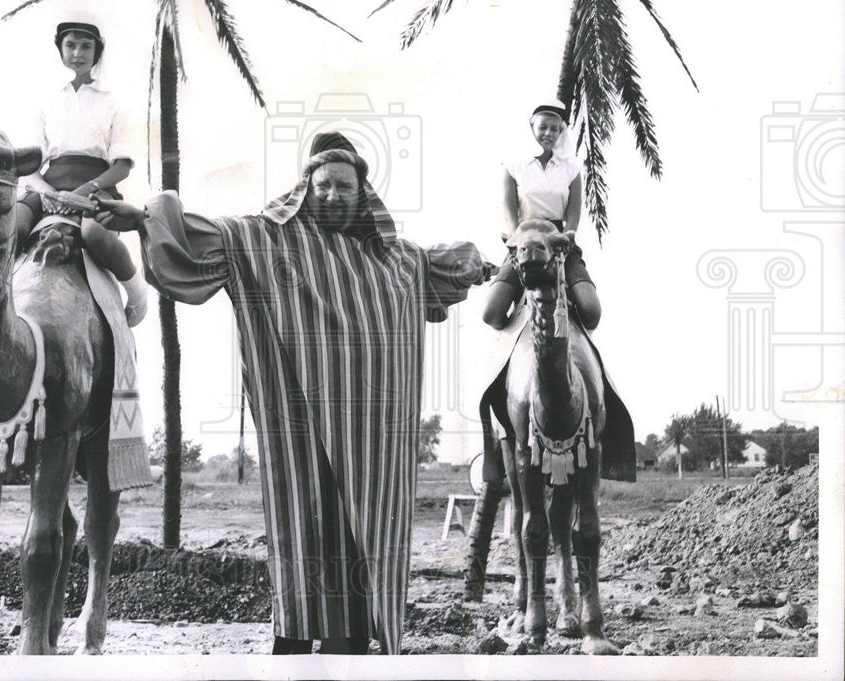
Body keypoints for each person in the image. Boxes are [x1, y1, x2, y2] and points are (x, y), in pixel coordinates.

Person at [96, 132, 494, 654]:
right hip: (300, 431)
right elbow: (204, 237)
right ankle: (296, 641)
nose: (332, 195)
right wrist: (146, 217)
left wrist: (484, 264)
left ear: (362, 194)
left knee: (363, 535)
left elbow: (445, 266)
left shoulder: (393, 260)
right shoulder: (269, 239)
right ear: (305, 188)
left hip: (372, 443)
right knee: (303, 525)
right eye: (323, 185)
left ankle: (351, 643)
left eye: (343, 187)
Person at [15, 20, 147, 326]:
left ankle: (137, 293)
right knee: (14, 228)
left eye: (86, 46)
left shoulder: (113, 101)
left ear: (96, 52)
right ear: (61, 51)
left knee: (94, 235)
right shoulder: (46, 101)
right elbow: (30, 164)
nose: (78, 53)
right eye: (71, 45)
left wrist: (85, 190)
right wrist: (47, 192)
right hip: (47, 186)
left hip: (96, 186)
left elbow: (122, 166)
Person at [481, 101, 601, 331]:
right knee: (492, 313)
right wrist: (517, 240)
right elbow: (508, 206)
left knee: (591, 311)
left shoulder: (571, 168)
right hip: (524, 239)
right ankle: (516, 345)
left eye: (555, 129)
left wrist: (569, 235)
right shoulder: (514, 166)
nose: (549, 133)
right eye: (543, 127)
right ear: (532, 128)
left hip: (558, 241)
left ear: (561, 131)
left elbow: (574, 209)